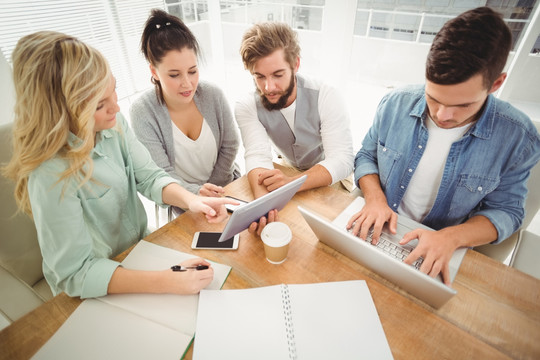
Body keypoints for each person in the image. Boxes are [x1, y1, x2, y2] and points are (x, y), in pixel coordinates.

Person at [2, 31, 237, 299]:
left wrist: (191, 200)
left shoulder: (113, 125)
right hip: (92, 286)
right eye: (100, 104)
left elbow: (149, 177)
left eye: (113, 88)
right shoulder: (49, 174)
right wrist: (166, 281)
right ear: (64, 111)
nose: (116, 106)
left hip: (138, 252)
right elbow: (76, 274)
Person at [347, 7, 540, 285]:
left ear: (496, 83)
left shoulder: (518, 138)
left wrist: (451, 237)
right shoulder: (395, 104)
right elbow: (367, 155)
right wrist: (376, 199)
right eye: (433, 98)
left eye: (462, 105)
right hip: (382, 227)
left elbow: (508, 212)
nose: (441, 115)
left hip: (444, 248)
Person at [236, 22, 354, 233]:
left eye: (278, 75)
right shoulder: (246, 106)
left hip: (329, 176)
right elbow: (257, 155)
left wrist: (291, 183)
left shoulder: (326, 95)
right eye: (259, 77)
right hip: (286, 171)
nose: (268, 87)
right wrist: (263, 206)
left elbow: (342, 160)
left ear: (296, 64)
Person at [130, 9, 240, 203]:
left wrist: (214, 191)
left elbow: (230, 145)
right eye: (174, 75)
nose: (187, 83)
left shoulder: (213, 95)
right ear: (154, 72)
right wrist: (197, 195)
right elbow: (161, 173)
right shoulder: (143, 112)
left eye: (192, 71)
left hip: (229, 189)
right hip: (186, 202)